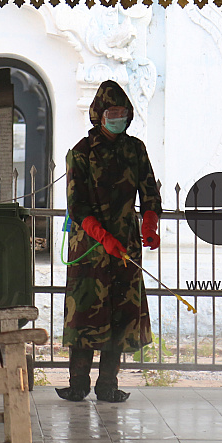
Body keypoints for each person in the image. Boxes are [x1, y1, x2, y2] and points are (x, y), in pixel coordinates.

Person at [56, 80, 162, 403]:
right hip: (89, 247)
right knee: (85, 313)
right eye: (111, 113)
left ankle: (108, 384)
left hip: (125, 245)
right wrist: (102, 237)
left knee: (120, 313)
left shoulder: (135, 150)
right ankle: (78, 384)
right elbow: (77, 206)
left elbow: (150, 192)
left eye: (122, 113)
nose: (117, 118)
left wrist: (150, 223)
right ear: (98, 115)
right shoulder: (81, 153)